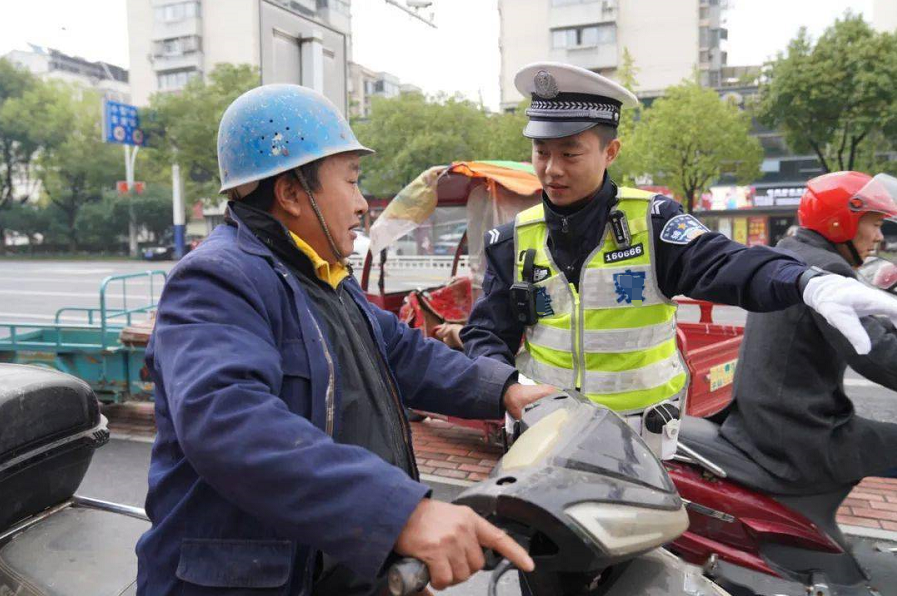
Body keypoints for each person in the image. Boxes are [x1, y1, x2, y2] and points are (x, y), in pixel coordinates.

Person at [135, 84, 556, 596]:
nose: (361, 205)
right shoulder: (217, 280)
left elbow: (402, 351)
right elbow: (230, 422)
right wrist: (401, 514)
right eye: (352, 182)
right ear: (291, 193)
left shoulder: (322, 276)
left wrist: (505, 389)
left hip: (338, 567)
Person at [460, 61, 897, 461]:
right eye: (541, 152)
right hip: (544, 436)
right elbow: (486, 331)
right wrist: (505, 384)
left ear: (610, 152)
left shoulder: (653, 222)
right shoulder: (511, 240)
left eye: (569, 153)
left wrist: (805, 282)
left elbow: (726, 264)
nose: (552, 168)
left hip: (637, 446)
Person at [720, 171, 897, 488]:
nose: (880, 237)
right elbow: (875, 354)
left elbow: (874, 326)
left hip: (763, 425)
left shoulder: (790, 254)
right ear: (842, 222)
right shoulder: (828, 270)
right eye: (876, 224)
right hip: (799, 439)